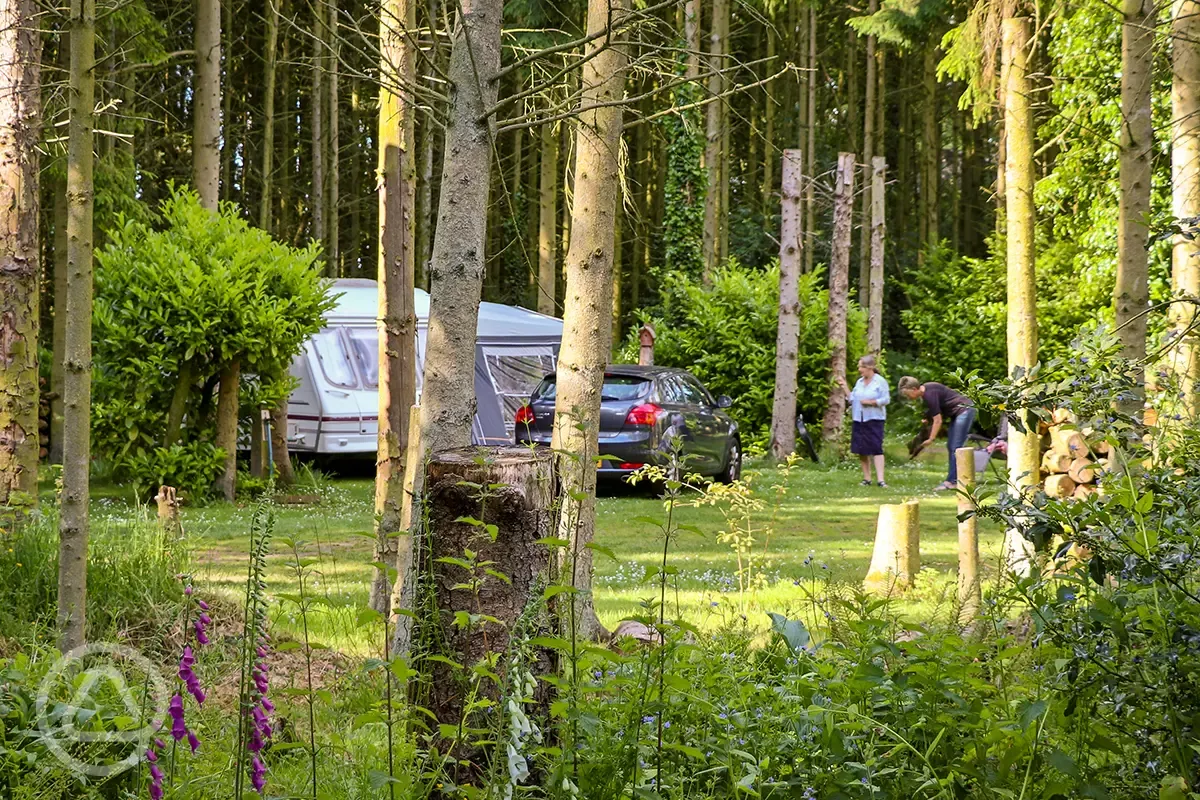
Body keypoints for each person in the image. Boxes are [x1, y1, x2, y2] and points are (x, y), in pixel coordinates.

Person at [898, 376, 977, 491]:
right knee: (951, 446)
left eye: (907, 393)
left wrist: (931, 439)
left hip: (965, 410)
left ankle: (952, 481)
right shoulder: (928, 388)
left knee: (955, 447)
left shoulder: (929, 395)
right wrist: (927, 417)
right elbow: (940, 404)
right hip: (959, 412)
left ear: (914, 389)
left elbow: (938, 420)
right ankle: (954, 479)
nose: (908, 397)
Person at [839, 355, 890, 487]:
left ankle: (881, 480)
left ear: (870, 367)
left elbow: (886, 399)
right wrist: (844, 386)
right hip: (859, 419)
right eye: (859, 366)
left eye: (862, 366)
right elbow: (852, 399)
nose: (859, 369)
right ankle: (867, 479)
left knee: (876, 448)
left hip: (874, 419)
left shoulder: (880, 382)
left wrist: (871, 402)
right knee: (861, 449)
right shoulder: (859, 382)